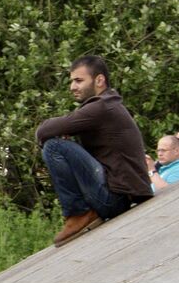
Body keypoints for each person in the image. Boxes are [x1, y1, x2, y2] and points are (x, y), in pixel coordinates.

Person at [35, 55, 151, 246]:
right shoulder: (109, 104)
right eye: (72, 81)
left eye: (79, 80)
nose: (72, 87)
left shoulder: (101, 106)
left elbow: (43, 130)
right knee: (59, 143)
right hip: (124, 195)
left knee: (53, 146)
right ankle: (82, 214)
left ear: (99, 80)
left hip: (115, 199)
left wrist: (56, 135)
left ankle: (78, 214)